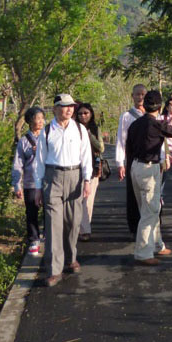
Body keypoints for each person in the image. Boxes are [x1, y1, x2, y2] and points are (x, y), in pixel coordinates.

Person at [34, 93, 92, 287]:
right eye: (65, 106)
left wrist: (87, 180)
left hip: (75, 177)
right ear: (55, 108)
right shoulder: (47, 131)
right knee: (53, 224)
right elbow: (40, 161)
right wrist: (37, 187)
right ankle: (54, 269)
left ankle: (71, 258)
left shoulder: (80, 130)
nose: (69, 109)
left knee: (73, 222)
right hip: (53, 178)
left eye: (71, 106)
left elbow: (86, 157)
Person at [126, 90, 172, 265]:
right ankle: (143, 253)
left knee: (150, 210)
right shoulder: (156, 125)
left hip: (136, 167)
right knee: (150, 212)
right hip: (149, 169)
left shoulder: (135, 124)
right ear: (160, 107)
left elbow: (128, 148)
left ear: (144, 105)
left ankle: (157, 245)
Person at [12, 106, 46, 255]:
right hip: (30, 182)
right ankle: (33, 240)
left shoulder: (48, 136)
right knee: (31, 212)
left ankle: (49, 237)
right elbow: (17, 164)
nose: (40, 121)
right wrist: (16, 185)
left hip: (48, 181)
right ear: (29, 121)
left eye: (41, 118)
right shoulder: (24, 141)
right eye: (36, 118)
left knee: (50, 211)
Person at [116, 84, 147, 235]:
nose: (140, 97)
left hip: (150, 160)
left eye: (143, 94)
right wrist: (120, 163)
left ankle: (150, 225)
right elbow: (121, 141)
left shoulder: (153, 115)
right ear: (132, 96)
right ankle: (134, 227)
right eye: (137, 94)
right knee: (133, 194)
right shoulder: (126, 116)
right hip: (132, 160)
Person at [74, 103, 105, 242]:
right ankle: (84, 228)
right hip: (76, 167)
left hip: (93, 167)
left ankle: (85, 228)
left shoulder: (94, 128)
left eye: (86, 113)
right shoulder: (73, 128)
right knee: (80, 200)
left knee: (88, 200)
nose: (83, 116)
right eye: (80, 113)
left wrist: (89, 135)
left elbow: (101, 147)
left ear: (91, 114)